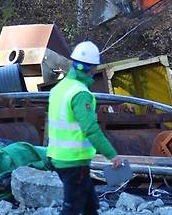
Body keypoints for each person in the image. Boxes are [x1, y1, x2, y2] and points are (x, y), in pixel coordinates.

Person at [47, 41, 122, 215]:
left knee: (90, 203)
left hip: (57, 156)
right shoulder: (80, 93)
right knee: (71, 208)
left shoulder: (59, 89)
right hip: (74, 161)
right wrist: (112, 155)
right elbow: (90, 129)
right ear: (92, 68)